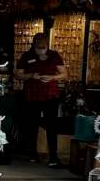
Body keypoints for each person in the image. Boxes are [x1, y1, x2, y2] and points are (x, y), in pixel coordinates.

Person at [15, 32, 65, 167]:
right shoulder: (27, 56)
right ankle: (33, 154)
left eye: (43, 42)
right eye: (38, 42)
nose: (40, 44)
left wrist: (52, 78)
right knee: (31, 125)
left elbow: (64, 73)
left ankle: (53, 157)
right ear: (34, 43)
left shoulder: (54, 55)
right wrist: (31, 75)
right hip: (32, 95)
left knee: (52, 126)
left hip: (50, 95)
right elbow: (18, 74)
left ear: (47, 43)